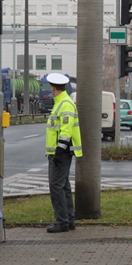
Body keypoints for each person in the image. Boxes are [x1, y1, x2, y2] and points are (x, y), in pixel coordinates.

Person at [45, 73, 83, 233]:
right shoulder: (61, 103)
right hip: (61, 152)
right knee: (63, 186)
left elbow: (65, 130)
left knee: (56, 186)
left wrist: (60, 151)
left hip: (61, 152)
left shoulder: (65, 104)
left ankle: (62, 222)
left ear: (53, 87)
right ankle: (68, 220)